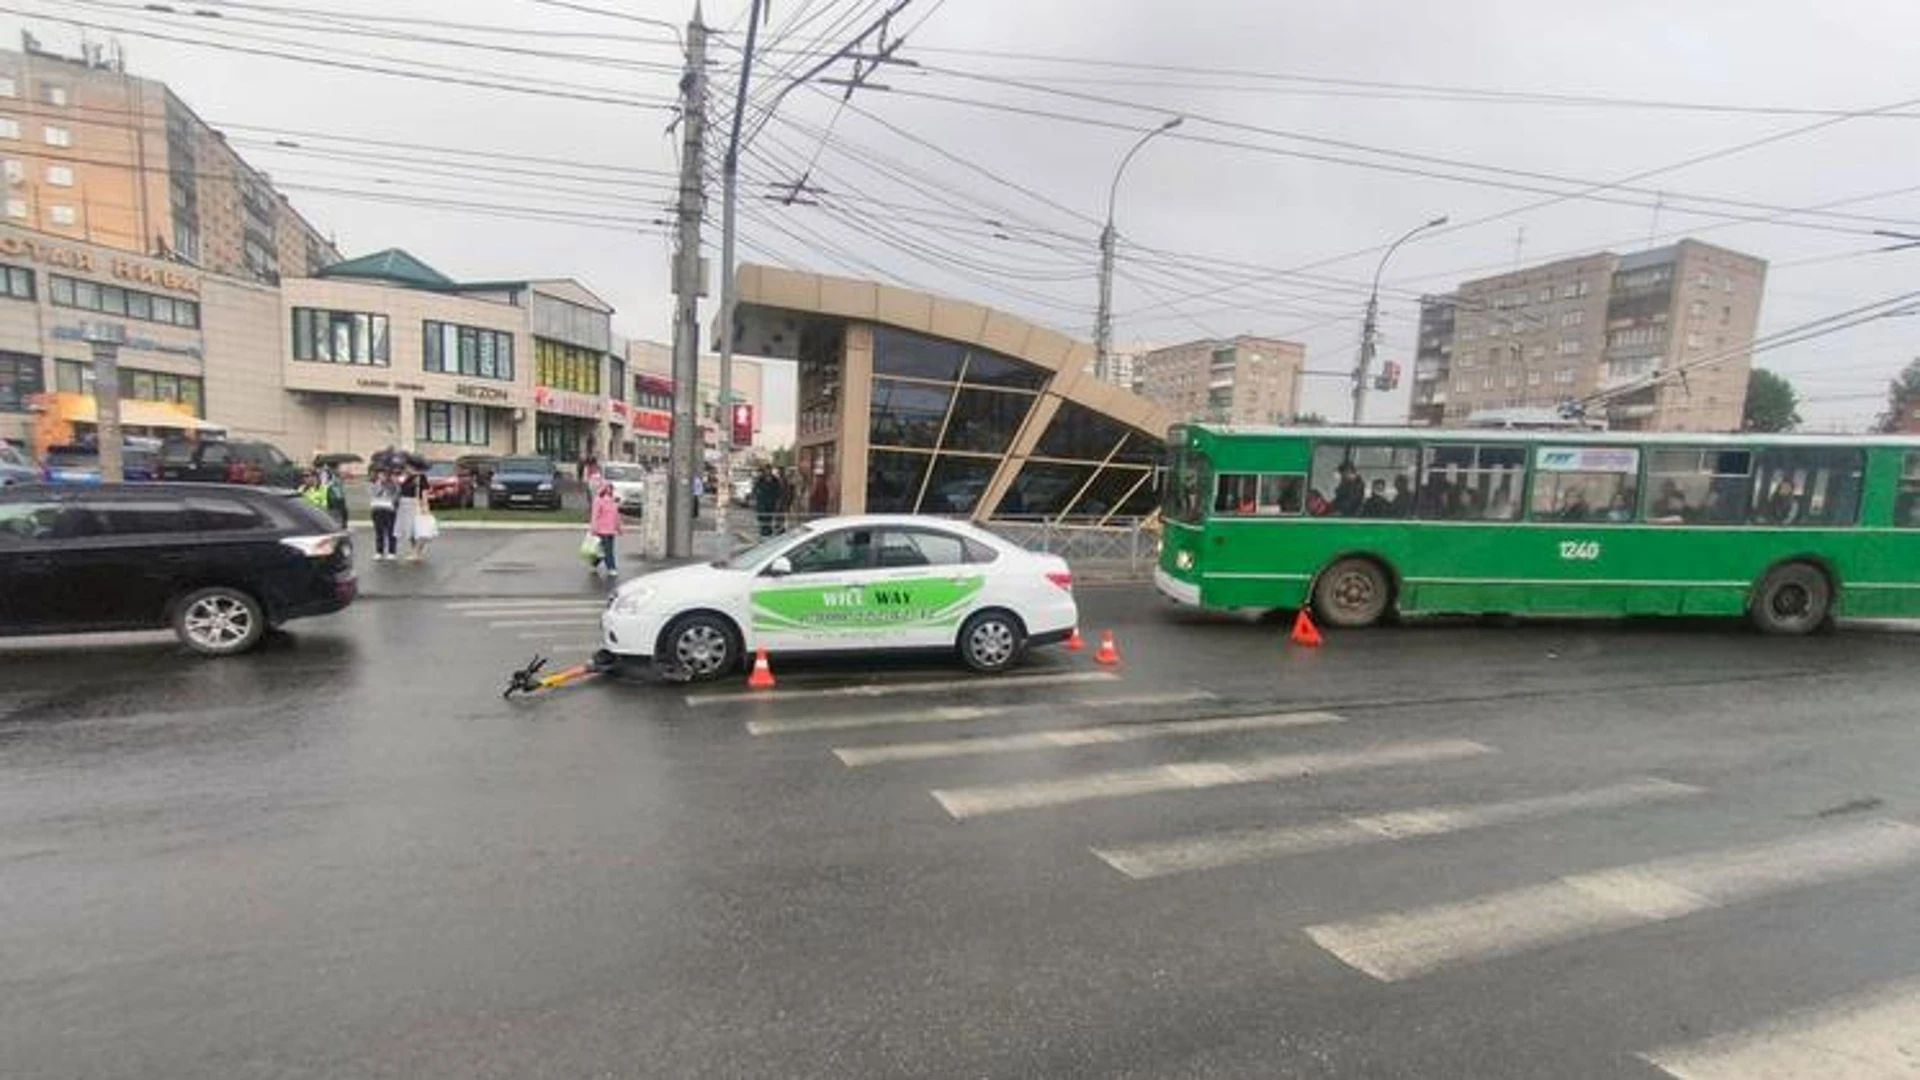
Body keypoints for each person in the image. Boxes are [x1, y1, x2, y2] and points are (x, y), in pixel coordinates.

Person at [397, 461, 431, 561]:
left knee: (420, 530)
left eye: (407, 467)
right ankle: (415, 551)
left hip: (416, 505)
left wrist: (425, 505)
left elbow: (424, 492)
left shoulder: (420, 477)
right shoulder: (406, 478)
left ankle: (417, 551)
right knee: (410, 531)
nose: (405, 469)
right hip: (405, 506)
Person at [589, 480, 622, 578]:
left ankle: (594, 564)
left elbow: (616, 516)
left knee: (602, 550)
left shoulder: (613, 501)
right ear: (603, 488)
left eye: (611, 488)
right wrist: (593, 528)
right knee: (608, 550)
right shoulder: (598, 500)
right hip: (601, 530)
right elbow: (595, 515)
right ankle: (611, 568)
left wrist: (618, 528)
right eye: (608, 487)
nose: (610, 490)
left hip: (611, 530)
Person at [368, 467, 400, 561]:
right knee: (379, 532)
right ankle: (379, 552)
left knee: (391, 531)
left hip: (389, 510)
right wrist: (381, 486)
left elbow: (397, 495)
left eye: (384, 475)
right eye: (380, 474)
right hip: (377, 509)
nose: (382, 476)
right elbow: (374, 494)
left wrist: (392, 499)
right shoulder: (374, 484)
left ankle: (392, 552)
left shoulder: (393, 484)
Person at [752, 465, 782, 536]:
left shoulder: (775, 479)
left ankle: (768, 530)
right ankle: (763, 530)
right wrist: (756, 497)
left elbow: (778, 491)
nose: (768, 471)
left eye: (769, 470)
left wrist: (777, 500)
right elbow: (755, 489)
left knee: (769, 517)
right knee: (762, 517)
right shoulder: (760, 479)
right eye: (766, 470)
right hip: (762, 502)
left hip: (771, 502)